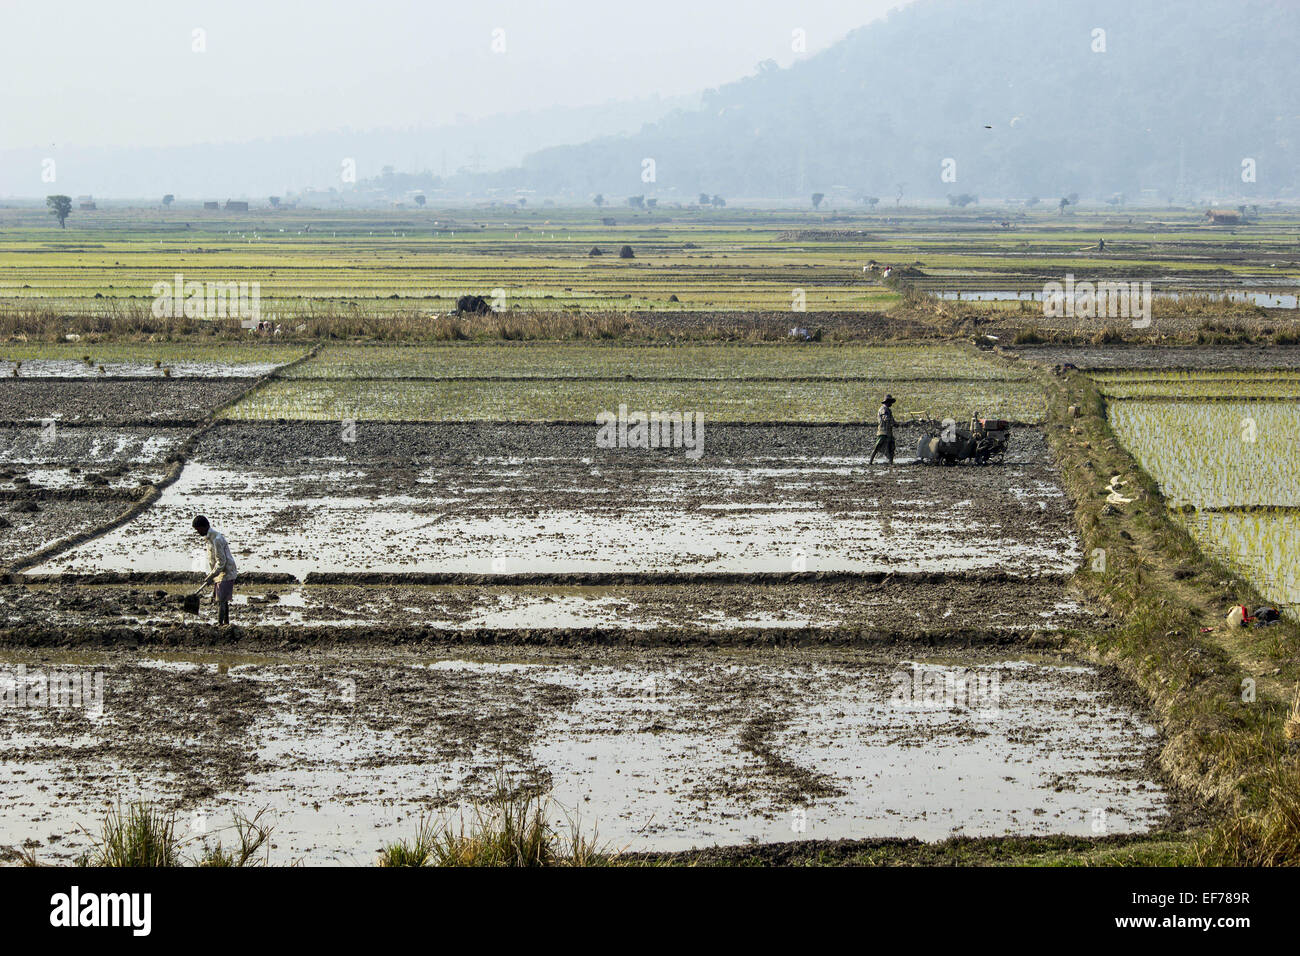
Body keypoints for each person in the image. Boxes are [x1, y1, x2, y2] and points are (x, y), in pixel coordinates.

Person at [193, 515, 238, 625]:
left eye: (198, 530)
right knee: (223, 600)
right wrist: (212, 575)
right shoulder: (209, 539)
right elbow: (214, 560)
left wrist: (211, 576)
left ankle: (220, 624)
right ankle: (226, 624)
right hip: (220, 573)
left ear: (205, 527)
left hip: (226, 572)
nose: (198, 532)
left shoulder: (216, 539)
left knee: (221, 600)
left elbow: (221, 562)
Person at [870, 394, 897, 465]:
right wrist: (892, 422)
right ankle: (870, 461)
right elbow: (885, 418)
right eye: (890, 402)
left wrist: (895, 423)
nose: (891, 404)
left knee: (891, 447)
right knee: (877, 446)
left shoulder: (889, 410)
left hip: (889, 432)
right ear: (887, 402)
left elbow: (892, 420)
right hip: (883, 431)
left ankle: (891, 462)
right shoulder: (883, 409)